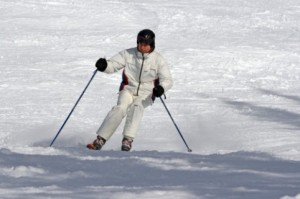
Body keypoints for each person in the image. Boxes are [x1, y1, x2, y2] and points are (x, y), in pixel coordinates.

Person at [87, 29, 173, 151]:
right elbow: (113, 65)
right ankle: (100, 139)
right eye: (141, 43)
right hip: (128, 89)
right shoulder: (128, 54)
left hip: (147, 93)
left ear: (152, 45)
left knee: (137, 107)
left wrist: (161, 88)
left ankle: (127, 140)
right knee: (120, 108)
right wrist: (104, 65)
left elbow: (167, 80)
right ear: (137, 42)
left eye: (146, 44)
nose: (143, 47)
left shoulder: (158, 59)